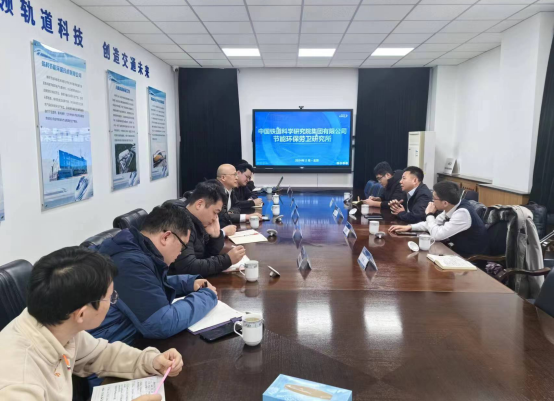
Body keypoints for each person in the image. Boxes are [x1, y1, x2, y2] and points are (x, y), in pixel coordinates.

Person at [0, 247, 183, 401]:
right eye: (110, 298)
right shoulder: (19, 382)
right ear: (82, 314)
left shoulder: (59, 325)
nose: (112, 302)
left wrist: (151, 361)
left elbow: (101, 355)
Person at [89, 204, 218, 347]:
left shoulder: (133, 246)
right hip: (99, 354)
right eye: (182, 246)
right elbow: (162, 323)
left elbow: (148, 285)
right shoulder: (129, 262)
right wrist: (207, 296)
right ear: (166, 237)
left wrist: (187, 283)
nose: (180, 253)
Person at [389, 181, 490, 257]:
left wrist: (429, 214)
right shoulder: (452, 206)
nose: (432, 201)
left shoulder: (462, 213)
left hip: (471, 258)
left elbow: (437, 235)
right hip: (455, 251)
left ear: (445, 203)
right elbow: (433, 224)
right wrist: (409, 227)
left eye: (434, 199)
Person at [171, 180, 246, 276]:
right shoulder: (179, 222)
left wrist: (216, 236)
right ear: (199, 204)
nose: (215, 218)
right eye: (215, 212)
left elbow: (205, 255)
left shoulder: (197, 220)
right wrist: (227, 260)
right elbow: (188, 267)